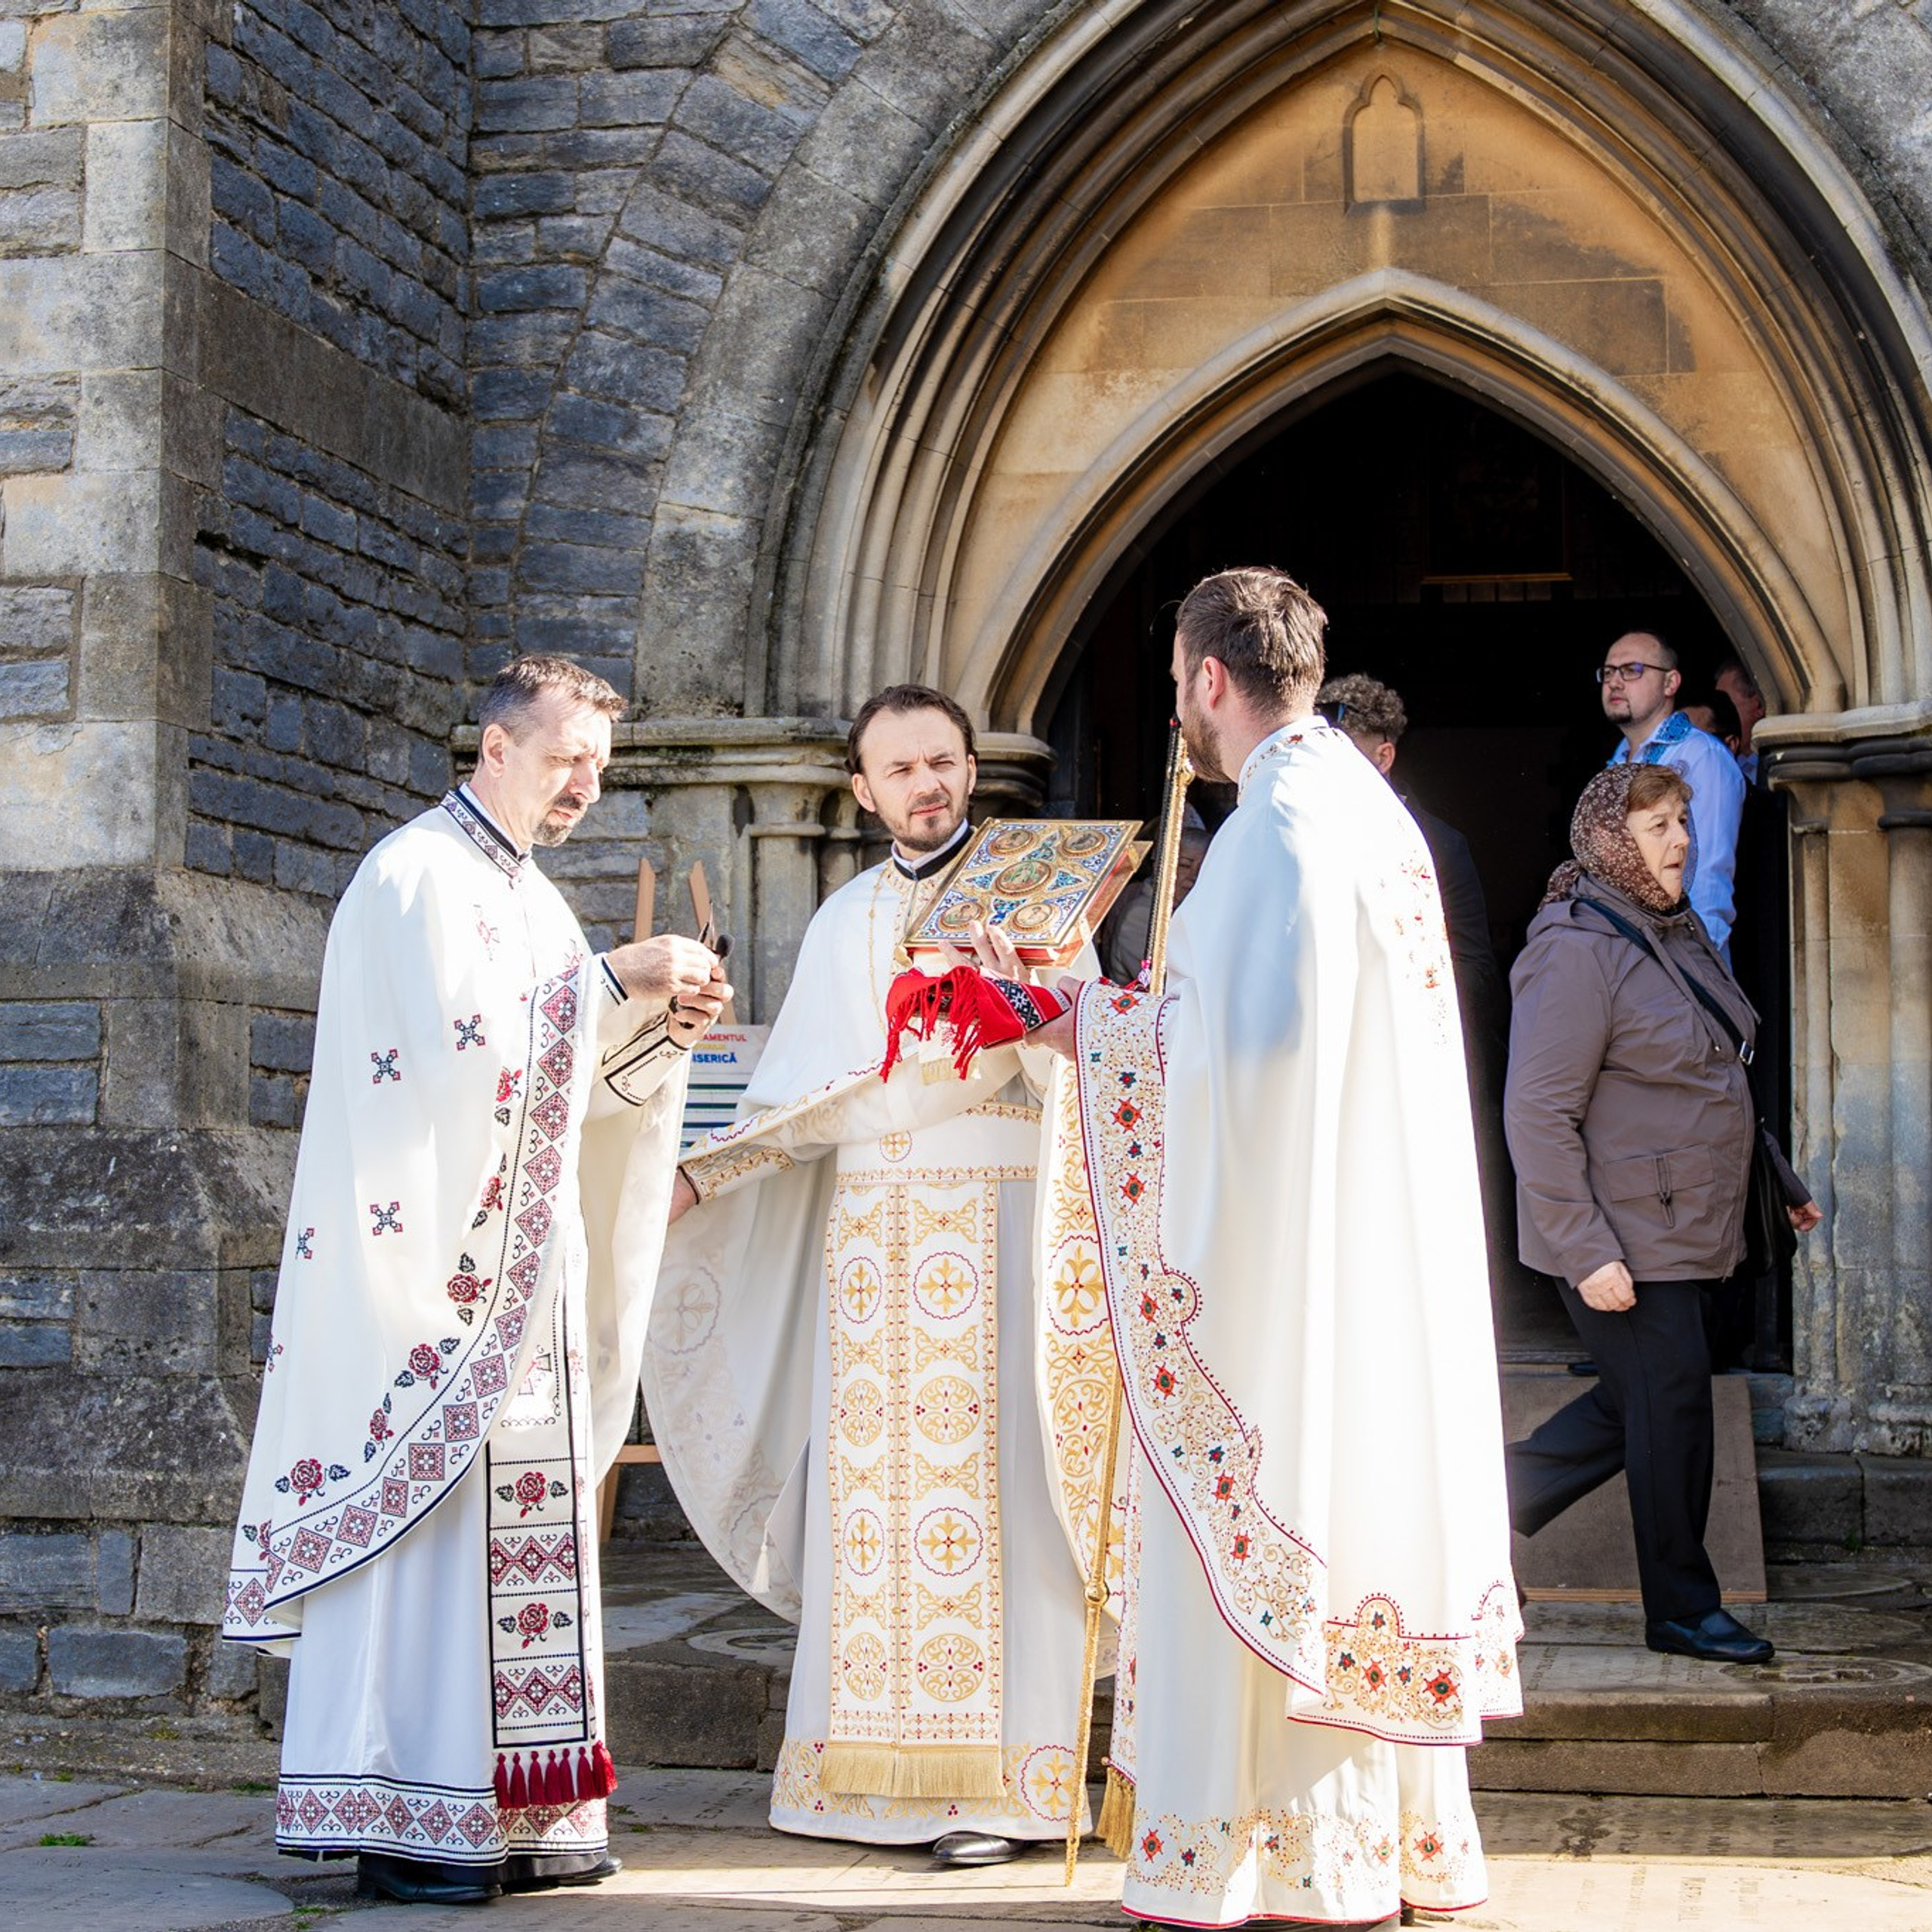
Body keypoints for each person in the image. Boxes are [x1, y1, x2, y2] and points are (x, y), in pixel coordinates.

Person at [1029, 569, 1521, 1928]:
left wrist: (1087, 1025)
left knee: (1269, 1512)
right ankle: (1387, 1853)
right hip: (1369, 1250)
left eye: (1181, 687)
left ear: (1203, 679)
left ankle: (1254, 1864)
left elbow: (1243, 1061)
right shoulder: (1373, 813)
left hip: (1279, 1275)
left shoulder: (1270, 830)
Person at [223, 657, 729, 1905]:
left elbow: (563, 1093)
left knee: (521, 1532)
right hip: (434, 1291)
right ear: (496, 748)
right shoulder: (413, 879)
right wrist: (618, 983)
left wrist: (662, 1033)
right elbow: (454, 1081)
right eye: (568, 760)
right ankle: (412, 1812)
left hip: (528, 1274)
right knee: (439, 1542)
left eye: (601, 769)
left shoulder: (539, 904)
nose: (584, 788)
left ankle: (526, 1814)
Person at [647, 685, 1091, 1865]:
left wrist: (1034, 1003)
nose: (927, 785)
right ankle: (869, 1786)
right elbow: (799, 1097)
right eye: (901, 770)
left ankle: (1005, 1794)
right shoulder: (846, 922)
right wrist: (698, 1179)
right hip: (872, 1259)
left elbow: (1088, 1074)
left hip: (997, 1241)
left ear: (970, 768)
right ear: (864, 789)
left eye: (942, 761)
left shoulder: (1040, 898)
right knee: (878, 1515)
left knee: (1004, 1512)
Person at [1502, 763, 1819, 1663]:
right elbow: (1537, 1110)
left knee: (1639, 1401)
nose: (1680, 839)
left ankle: (1475, 1514)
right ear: (1611, 841)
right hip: (1624, 1237)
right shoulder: (1575, 948)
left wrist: (1779, 1182)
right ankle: (1680, 1605)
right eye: (1657, 827)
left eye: (1681, 821)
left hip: (1688, 1225)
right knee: (1669, 1406)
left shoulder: (1668, 931)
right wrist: (1583, 1248)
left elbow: (1713, 1071)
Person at [1315, 672, 1503, 1051]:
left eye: (1343, 752)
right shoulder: (1307, 832)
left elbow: (1473, 969)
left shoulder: (1440, 846)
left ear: (1384, 756)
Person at [1599, 631, 1746, 959]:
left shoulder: (1701, 756)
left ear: (1670, 684)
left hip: (1677, 968)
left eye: (1632, 670)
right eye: (1608, 672)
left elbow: (1708, 877)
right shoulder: (1615, 763)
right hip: (1620, 960)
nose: (1615, 682)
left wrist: (1697, 968)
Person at [1103, 804, 1211, 982]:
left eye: (1203, 869)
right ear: (1159, 865)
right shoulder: (1142, 915)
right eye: (1184, 865)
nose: (1193, 879)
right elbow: (1164, 983)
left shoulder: (1191, 909)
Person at [1714, 654, 1768, 783]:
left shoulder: (1780, 766)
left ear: (1759, 706)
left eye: (1728, 705)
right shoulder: (1720, 763)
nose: (1720, 715)